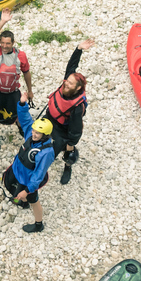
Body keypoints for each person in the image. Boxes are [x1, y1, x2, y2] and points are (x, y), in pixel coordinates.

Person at [45, 39, 95, 185]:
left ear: (78, 88)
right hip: (50, 117)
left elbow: (76, 130)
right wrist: (78, 49)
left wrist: (71, 144)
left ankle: (67, 166)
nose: (66, 83)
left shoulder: (77, 107)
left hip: (62, 129)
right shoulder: (68, 82)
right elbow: (72, 65)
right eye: (67, 81)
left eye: (70, 83)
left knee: (64, 152)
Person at [2, 92, 54, 233]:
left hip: (29, 180)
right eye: (34, 131)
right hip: (19, 171)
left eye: (37, 133)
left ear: (45, 135)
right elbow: (25, 120)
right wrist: (23, 104)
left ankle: (38, 224)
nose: (34, 134)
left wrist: (28, 190)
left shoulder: (46, 152)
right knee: (15, 188)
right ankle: (22, 201)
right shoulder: (31, 136)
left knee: (34, 201)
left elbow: (38, 174)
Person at [0, 7, 33, 152]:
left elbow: (26, 73)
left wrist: (30, 91)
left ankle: (21, 129)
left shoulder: (21, 56)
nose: (4, 46)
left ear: (13, 43)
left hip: (12, 91)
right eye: (3, 43)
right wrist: (2, 22)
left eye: (8, 43)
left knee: (17, 113)